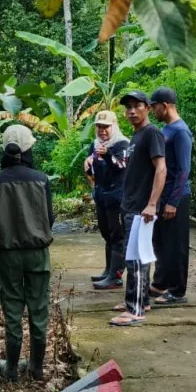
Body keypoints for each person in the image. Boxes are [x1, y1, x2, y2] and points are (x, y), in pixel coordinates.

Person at [0, 125, 55, 381]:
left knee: (13, 310)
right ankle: (37, 368)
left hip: (8, 255)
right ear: (28, 147)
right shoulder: (41, 179)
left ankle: (12, 369)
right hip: (38, 253)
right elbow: (50, 218)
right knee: (39, 309)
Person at [109, 90, 166, 327]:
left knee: (137, 260)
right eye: (128, 107)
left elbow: (161, 169)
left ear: (148, 108)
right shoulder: (137, 135)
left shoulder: (152, 133)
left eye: (137, 106)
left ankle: (136, 310)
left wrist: (152, 204)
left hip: (142, 208)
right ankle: (138, 300)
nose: (131, 111)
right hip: (131, 205)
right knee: (133, 256)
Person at [148, 87, 193, 305]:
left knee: (176, 245)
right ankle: (161, 282)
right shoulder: (166, 129)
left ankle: (178, 291)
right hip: (163, 197)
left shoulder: (180, 131)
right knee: (161, 243)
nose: (152, 110)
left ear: (165, 105)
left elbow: (184, 169)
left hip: (176, 198)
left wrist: (173, 202)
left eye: (154, 106)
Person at [84, 109, 130, 291]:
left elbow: (121, 165)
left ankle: (116, 275)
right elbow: (93, 172)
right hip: (101, 196)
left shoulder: (122, 144)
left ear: (114, 126)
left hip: (117, 197)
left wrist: (107, 154)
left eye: (106, 127)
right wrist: (87, 165)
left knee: (117, 235)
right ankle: (108, 270)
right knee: (106, 234)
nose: (102, 131)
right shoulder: (95, 144)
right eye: (99, 127)